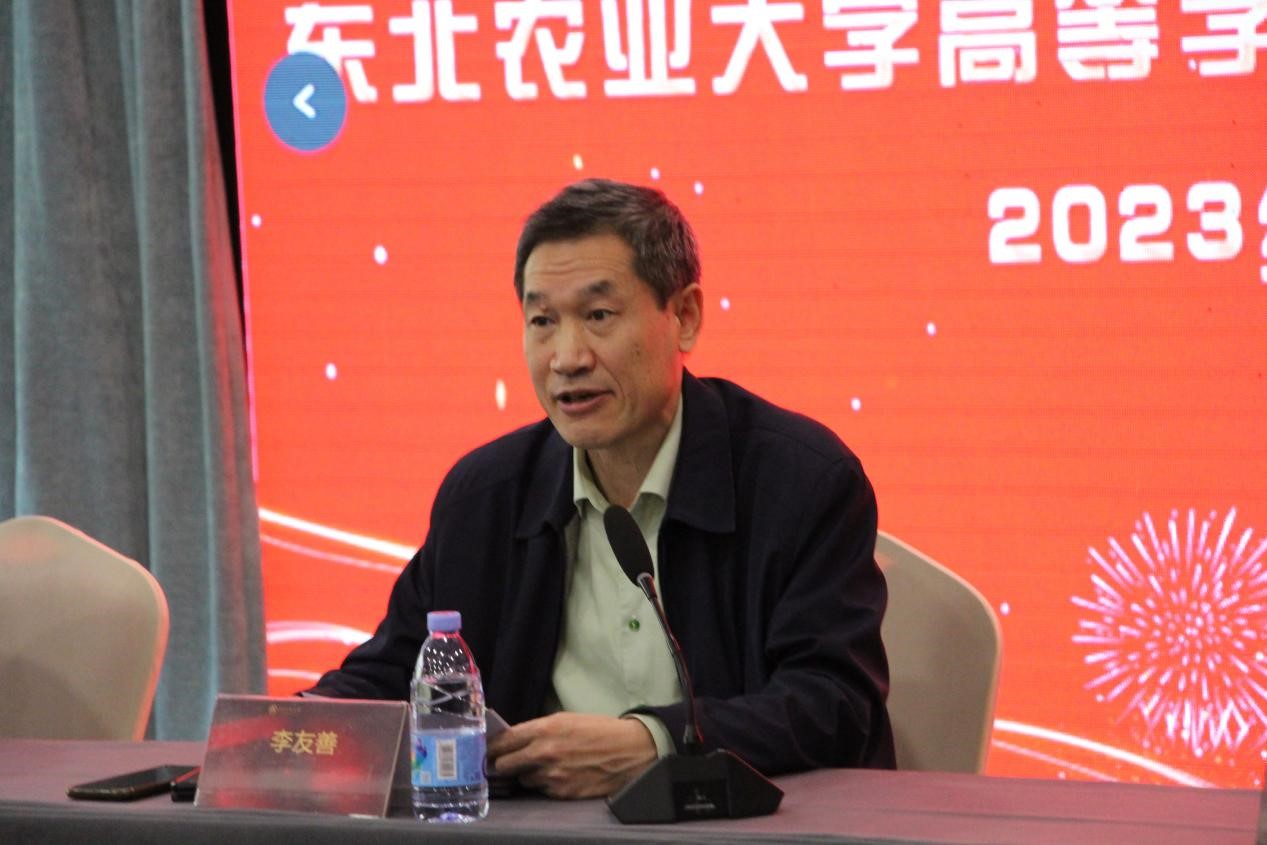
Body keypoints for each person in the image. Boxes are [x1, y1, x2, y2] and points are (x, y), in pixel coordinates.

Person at [307, 178, 895, 798]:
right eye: (542, 321)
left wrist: (657, 743)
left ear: (685, 317)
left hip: (740, 827)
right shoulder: (484, 496)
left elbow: (833, 703)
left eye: (598, 316)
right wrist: (280, 732)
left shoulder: (801, 482)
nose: (567, 357)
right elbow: (394, 675)